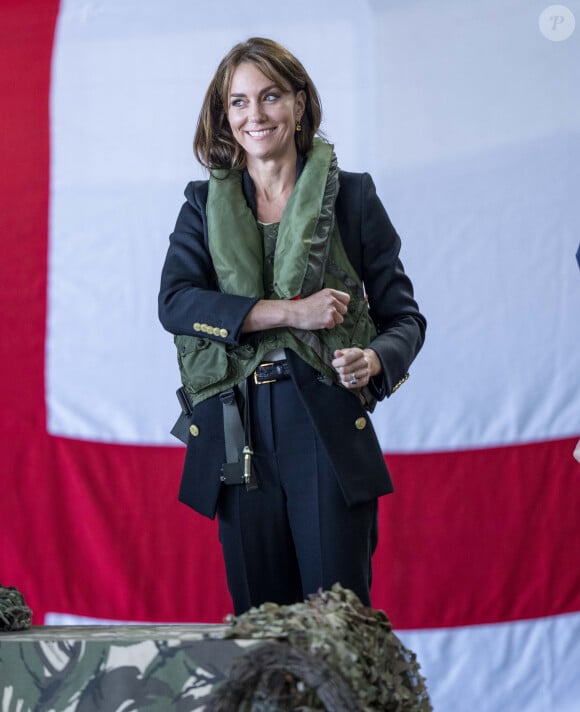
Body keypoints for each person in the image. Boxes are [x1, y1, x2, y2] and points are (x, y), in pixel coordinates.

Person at [158, 37, 426, 615]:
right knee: (260, 631)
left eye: (271, 96)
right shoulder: (201, 205)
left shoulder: (353, 196)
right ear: (224, 115)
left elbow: (404, 317)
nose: (255, 115)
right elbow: (176, 305)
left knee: (338, 625)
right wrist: (290, 312)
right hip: (237, 433)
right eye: (238, 102)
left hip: (323, 424)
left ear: (299, 104)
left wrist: (377, 359)